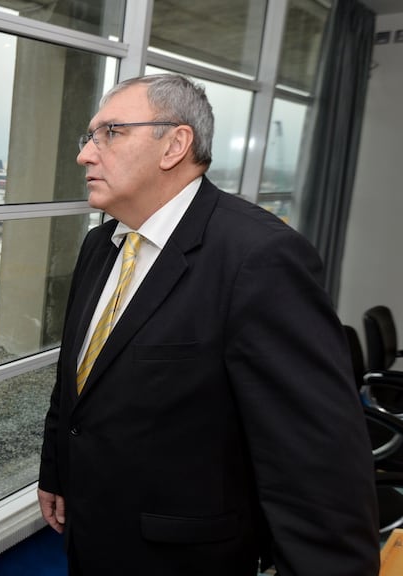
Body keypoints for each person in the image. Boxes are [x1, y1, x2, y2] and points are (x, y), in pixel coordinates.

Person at [38, 74, 379, 575]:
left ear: (175, 144)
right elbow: (77, 379)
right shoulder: (101, 245)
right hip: (91, 535)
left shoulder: (259, 258)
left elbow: (315, 466)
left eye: (110, 133)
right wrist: (57, 472)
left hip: (183, 558)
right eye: (89, 137)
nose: (85, 154)